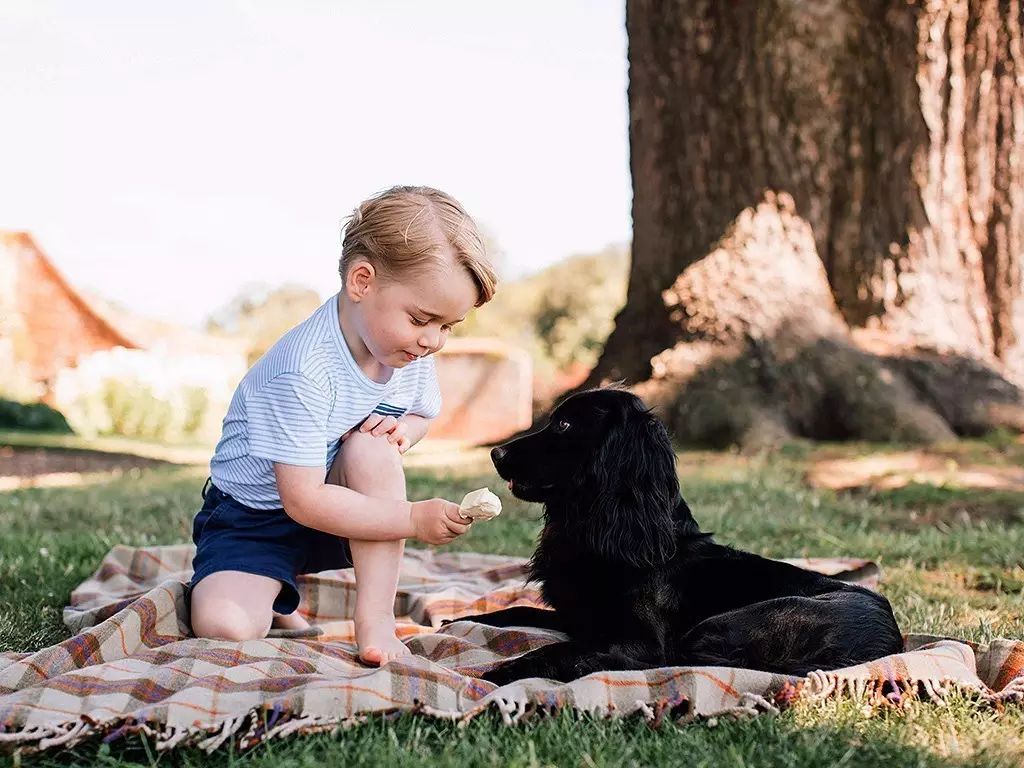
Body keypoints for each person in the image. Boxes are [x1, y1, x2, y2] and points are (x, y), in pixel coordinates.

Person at [189, 185, 497, 665]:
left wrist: (404, 433)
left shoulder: (405, 349)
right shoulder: (303, 370)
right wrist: (413, 518)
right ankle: (268, 589)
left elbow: (419, 414)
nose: (434, 340)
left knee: (372, 451)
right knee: (225, 627)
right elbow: (302, 499)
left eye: (448, 326)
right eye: (423, 319)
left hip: (341, 504)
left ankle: (374, 623)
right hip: (256, 517)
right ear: (361, 281)